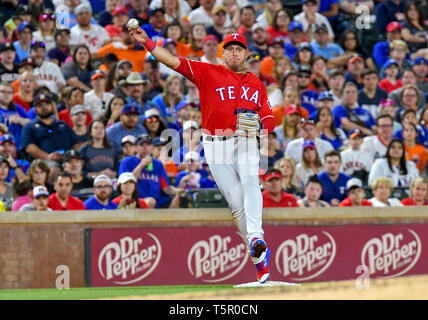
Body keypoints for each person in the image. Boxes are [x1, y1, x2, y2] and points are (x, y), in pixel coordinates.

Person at [129, 27, 276, 283]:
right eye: (229, 49)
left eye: (238, 49)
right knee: (236, 201)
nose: (233, 53)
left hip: (244, 140)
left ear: (246, 54)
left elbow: (268, 117)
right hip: (214, 142)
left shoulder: (256, 84)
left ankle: (256, 238)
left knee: (251, 180)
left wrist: (262, 127)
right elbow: (173, 62)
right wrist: (149, 44)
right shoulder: (209, 72)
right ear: (223, 54)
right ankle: (258, 257)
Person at [118, 133, 177, 208]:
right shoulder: (127, 162)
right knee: (150, 201)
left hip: (158, 201)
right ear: (136, 148)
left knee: (179, 199)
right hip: (136, 201)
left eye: (148, 145)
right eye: (142, 145)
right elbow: (126, 183)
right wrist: (141, 166)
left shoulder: (158, 164)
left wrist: (178, 191)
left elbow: (165, 188)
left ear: (152, 147)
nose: (145, 148)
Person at [20, 93, 80, 165]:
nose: (44, 107)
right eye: (40, 105)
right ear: (35, 109)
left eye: (47, 104)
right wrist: (48, 157)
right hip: (43, 163)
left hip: (67, 161)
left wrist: (72, 157)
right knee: (53, 167)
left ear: (52, 106)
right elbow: (29, 148)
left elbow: (76, 143)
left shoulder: (63, 125)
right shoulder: (29, 127)